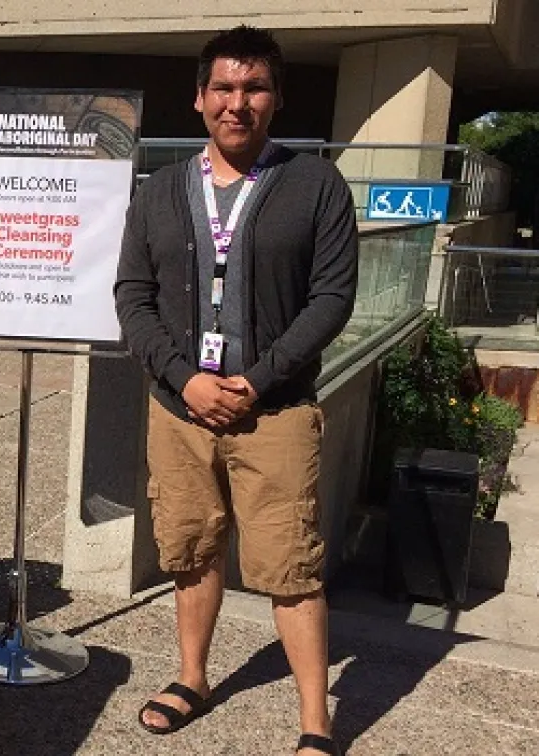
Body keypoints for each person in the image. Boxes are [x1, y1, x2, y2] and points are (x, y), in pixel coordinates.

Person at [114, 25, 358, 756]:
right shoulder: (161, 191)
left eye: (254, 88)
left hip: (274, 412)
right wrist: (185, 378)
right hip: (180, 409)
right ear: (199, 98)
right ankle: (192, 677)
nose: (237, 102)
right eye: (223, 87)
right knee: (190, 549)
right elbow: (133, 295)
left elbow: (331, 299)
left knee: (291, 566)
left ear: (276, 98)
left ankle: (315, 722)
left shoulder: (316, 185)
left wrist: (258, 379)